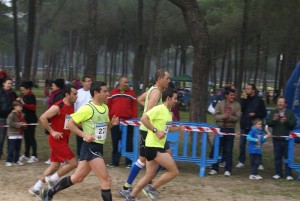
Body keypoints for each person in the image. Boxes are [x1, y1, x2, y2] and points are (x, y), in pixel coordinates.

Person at [40, 81, 119, 201]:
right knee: (106, 180)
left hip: (98, 147)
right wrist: (84, 135)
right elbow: (70, 124)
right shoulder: (87, 108)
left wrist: (111, 125)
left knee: (77, 178)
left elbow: (102, 129)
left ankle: (49, 192)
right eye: (105, 91)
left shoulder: (105, 108)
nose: (107, 94)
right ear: (96, 93)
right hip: (90, 147)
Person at [125, 88, 184, 201]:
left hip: (155, 146)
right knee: (174, 171)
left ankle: (131, 196)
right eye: (175, 98)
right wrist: (155, 131)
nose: (176, 101)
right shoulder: (159, 109)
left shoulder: (168, 112)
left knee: (149, 176)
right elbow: (143, 118)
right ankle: (151, 188)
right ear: (168, 98)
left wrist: (178, 129)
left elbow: (166, 129)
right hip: (154, 147)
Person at [119, 68, 170, 197]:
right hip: (149, 131)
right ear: (160, 79)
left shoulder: (153, 90)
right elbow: (148, 112)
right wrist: (155, 120)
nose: (169, 81)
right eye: (167, 78)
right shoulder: (156, 93)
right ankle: (130, 187)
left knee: (161, 155)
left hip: (148, 130)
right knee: (145, 159)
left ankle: (136, 185)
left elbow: (139, 99)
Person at [28, 85, 79, 197]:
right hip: (56, 140)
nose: (77, 96)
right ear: (67, 95)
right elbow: (43, 117)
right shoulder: (58, 106)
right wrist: (52, 131)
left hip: (63, 140)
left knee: (55, 166)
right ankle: (53, 179)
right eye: (74, 94)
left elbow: (69, 122)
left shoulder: (72, 106)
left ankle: (36, 187)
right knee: (74, 163)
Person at [209, 88, 241, 176]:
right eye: (231, 95)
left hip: (230, 130)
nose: (233, 97)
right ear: (226, 95)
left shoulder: (237, 105)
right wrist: (224, 116)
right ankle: (214, 168)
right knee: (216, 148)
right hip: (220, 129)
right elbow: (216, 116)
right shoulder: (220, 104)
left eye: (234, 95)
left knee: (228, 150)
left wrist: (230, 117)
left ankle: (228, 169)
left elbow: (237, 118)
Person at [107, 76, 137, 168]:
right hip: (115, 121)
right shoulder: (113, 93)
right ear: (120, 82)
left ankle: (128, 161)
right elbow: (109, 106)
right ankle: (115, 161)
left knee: (128, 141)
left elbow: (134, 108)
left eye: (128, 82)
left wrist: (133, 121)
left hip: (128, 121)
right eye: (125, 82)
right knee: (115, 141)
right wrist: (110, 119)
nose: (127, 84)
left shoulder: (131, 94)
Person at [236, 84, 266, 169]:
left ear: (253, 90)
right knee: (242, 144)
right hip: (244, 124)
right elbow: (241, 109)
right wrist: (243, 99)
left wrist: (255, 114)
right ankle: (241, 161)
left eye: (248, 89)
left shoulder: (259, 100)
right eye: (246, 89)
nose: (246, 90)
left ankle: (259, 162)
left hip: (254, 126)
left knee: (257, 143)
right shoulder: (245, 99)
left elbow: (264, 113)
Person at [267, 97, 296, 180]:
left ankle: (288, 174)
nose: (279, 103)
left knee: (288, 157)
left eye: (281, 102)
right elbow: (268, 123)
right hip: (276, 138)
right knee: (277, 157)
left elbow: (293, 124)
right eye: (278, 102)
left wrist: (286, 121)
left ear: (285, 104)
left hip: (287, 139)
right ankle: (278, 173)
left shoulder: (290, 113)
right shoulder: (274, 112)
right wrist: (274, 120)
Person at [45, 78, 65, 164]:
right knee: (53, 138)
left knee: (57, 139)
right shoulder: (53, 94)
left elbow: (56, 108)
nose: (52, 86)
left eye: (53, 85)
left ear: (58, 86)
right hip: (51, 118)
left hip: (56, 120)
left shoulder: (59, 95)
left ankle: (59, 158)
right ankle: (54, 157)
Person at [18, 81, 39, 163]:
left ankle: (34, 155)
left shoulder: (31, 96)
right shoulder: (25, 96)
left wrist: (23, 104)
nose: (22, 92)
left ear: (28, 89)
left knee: (31, 137)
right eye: (21, 90)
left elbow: (33, 107)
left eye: (23, 90)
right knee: (26, 137)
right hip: (25, 120)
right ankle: (26, 154)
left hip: (31, 120)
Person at [74, 76, 92, 157]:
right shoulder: (77, 93)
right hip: (80, 120)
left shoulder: (93, 92)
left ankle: (90, 155)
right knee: (80, 139)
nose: (90, 82)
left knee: (90, 139)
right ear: (83, 82)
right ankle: (80, 156)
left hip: (90, 120)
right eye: (88, 81)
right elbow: (74, 106)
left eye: (90, 81)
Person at [5, 100, 27, 166]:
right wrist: (19, 124)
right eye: (19, 107)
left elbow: (23, 122)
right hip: (12, 134)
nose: (21, 108)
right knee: (11, 148)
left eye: (21, 107)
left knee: (18, 148)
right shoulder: (11, 115)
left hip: (19, 134)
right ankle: (8, 161)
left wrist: (24, 125)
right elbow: (9, 123)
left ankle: (16, 160)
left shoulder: (22, 114)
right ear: (14, 107)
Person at [0, 78, 17, 160]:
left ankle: (9, 154)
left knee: (10, 137)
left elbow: (16, 104)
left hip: (11, 118)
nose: (10, 85)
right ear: (4, 83)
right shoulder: (0, 92)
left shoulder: (13, 93)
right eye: (8, 83)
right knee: (1, 137)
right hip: (1, 118)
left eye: (11, 83)